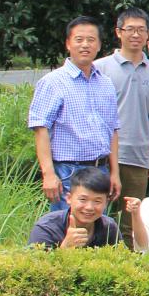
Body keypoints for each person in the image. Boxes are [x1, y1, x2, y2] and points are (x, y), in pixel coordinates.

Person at [29, 16, 121, 211]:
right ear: (68, 44)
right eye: (79, 39)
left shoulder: (106, 83)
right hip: (67, 172)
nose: (85, 45)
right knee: (68, 224)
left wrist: (115, 173)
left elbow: (113, 130)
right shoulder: (52, 82)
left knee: (96, 226)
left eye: (91, 40)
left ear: (99, 45)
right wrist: (48, 174)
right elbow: (40, 129)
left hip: (101, 170)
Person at [93, 7, 149, 249]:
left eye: (141, 30)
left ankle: (130, 264)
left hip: (138, 156)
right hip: (103, 156)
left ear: (147, 34)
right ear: (118, 32)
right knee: (98, 214)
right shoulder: (100, 67)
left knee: (131, 219)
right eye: (130, 29)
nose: (135, 34)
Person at [28, 167, 122, 249]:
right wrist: (66, 247)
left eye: (97, 201)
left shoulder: (109, 227)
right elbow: (33, 262)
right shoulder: (47, 227)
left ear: (106, 203)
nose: (89, 207)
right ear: (69, 198)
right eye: (83, 199)